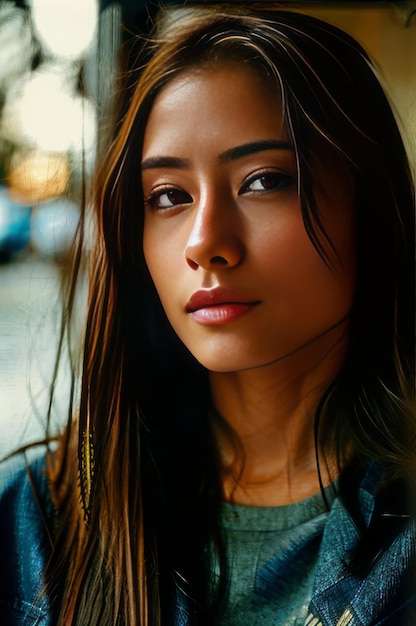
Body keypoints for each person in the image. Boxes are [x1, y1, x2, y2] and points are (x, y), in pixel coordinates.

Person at [1, 4, 415, 625]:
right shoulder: (34, 523)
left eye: (263, 181)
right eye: (168, 196)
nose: (203, 242)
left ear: (368, 204)